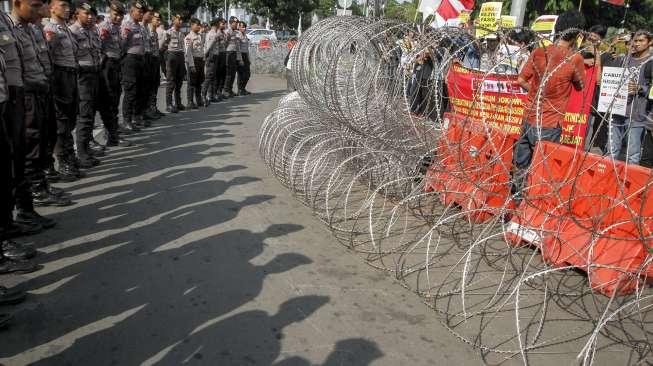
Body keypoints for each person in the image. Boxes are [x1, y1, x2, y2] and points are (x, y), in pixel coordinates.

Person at [512, 10, 587, 199]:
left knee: (521, 164)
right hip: (549, 123)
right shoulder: (574, 58)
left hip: (529, 116)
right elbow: (580, 85)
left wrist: (537, 92)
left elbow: (521, 80)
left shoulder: (539, 52)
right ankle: (531, 207)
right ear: (578, 34)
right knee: (541, 169)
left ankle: (516, 202)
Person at [45, 0, 83, 181]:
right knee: (62, 121)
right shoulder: (51, 29)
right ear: (51, 8)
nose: (68, 9)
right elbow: (47, 57)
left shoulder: (65, 28)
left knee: (71, 117)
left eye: (68, 6)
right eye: (63, 6)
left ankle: (70, 157)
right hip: (59, 76)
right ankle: (64, 161)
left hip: (70, 74)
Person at [606, 30, 653, 165]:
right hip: (617, 110)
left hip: (637, 113)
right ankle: (607, 181)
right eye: (635, 41)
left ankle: (630, 183)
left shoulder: (650, 62)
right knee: (611, 150)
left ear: (650, 42)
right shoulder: (623, 59)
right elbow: (610, 77)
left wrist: (640, 88)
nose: (637, 44)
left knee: (632, 154)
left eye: (641, 41)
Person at [70, 2, 102, 168]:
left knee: (90, 113)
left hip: (94, 73)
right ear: (77, 14)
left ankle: (87, 148)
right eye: (86, 14)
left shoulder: (92, 31)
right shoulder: (73, 32)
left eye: (92, 14)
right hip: (82, 76)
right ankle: (81, 153)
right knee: (84, 114)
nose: (90, 17)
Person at [97, 1, 130, 146]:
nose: (118, 18)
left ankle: (113, 132)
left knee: (115, 98)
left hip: (116, 63)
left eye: (121, 16)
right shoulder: (104, 27)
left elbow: (121, 47)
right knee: (109, 100)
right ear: (110, 12)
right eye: (116, 15)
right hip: (107, 65)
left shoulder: (118, 28)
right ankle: (111, 135)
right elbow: (98, 47)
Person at [120, 0, 146, 131]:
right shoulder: (127, 25)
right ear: (131, 12)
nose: (141, 14)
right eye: (139, 11)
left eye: (142, 12)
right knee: (130, 90)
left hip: (140, 59)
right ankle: (126, 120)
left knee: (139, 90)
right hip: (130, 60)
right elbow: (122, 44)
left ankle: (136, 117)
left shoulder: (140, 26)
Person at [163, 14, 185, 113]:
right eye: (179, 19)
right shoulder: (168, 32)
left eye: (181, 20)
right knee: (171, 81)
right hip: (171, 55)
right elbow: (163, 46)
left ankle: (178, 102)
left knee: (179, 80)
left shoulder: (181, 33)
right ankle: (169, 104)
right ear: (173, 21)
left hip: (180, 55)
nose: (180, 21)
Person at [184, 18, 204, 109]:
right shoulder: (188, 37)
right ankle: (190, 101)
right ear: (192, 25)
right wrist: (191, 65)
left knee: (199, 81)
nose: (199, 26)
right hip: (193, 61)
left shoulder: (200, 36)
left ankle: (199, 100)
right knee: (191, 82)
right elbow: (189, 52)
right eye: (197, 25)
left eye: (199, 25)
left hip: (200, 60)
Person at [147, 12, 164, 117]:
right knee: (149, 85)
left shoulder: (155, 32)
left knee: (155, 83)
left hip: (155, 59)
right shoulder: (147, 31)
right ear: (151, 19)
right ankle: (148, 108)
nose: (159, 21)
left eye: (159, 20)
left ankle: (153, 107)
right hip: (149, 60)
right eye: (157, 19)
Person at [202, 18, 220, 106]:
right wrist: (205, 56)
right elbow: (208, 46)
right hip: (211, 57)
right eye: (219, 23)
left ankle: (211, 96)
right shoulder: (213, 34)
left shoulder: (213, 33)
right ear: (216, 24)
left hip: (214, 56)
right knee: (209, 77)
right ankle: (203, 96)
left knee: (213, 77)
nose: (220, 25)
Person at [222, 16, 242, 98]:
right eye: (235, 23)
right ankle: (225, 90)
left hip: (234, 54)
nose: (236, 24)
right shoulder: (227, 32)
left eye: (237, 23)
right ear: (230, 23)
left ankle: (230, 89)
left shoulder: (236, 32)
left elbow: (237, 46)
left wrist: (239, 57)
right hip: (228, 53)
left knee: (233, 72)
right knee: (228, 73)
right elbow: (225, 43)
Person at [236, 20, 251, 96]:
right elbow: (238, 49)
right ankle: (240, 90)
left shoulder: (245, 35)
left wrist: (248, 58)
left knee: (248, 74)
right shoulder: (238, 36)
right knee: (241, 74)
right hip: (240, 55)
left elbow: (247, 49)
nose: (244, 28)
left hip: (245, 55)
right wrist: (240, 59)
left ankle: (243, 88)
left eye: (244, 27)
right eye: (242, 27)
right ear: (239, 27)